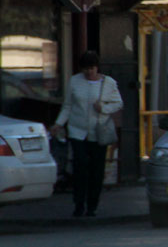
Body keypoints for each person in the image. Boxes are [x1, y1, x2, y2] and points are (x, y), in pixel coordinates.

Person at [51, 51, 122, 218]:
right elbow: (68, 106)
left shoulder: (108, 83)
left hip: (98, 132)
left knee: (97, 170)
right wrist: (58, 124)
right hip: (77, 131)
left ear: (97, 67)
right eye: (86, 69)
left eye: (91, 68)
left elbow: (118, 103)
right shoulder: (75, 81)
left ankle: (92, 205)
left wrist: (104, 108)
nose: (89, 72)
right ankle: (78, 204)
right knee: (80, 166)